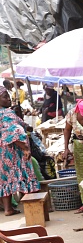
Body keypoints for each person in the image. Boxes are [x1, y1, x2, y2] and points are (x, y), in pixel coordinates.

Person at [0, 86, 39, 216]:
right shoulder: (7, 113)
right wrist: (25, 148)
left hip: (2, 152)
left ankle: (8, 209)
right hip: (13, 151)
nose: (8, 99)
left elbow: (18, 123)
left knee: (6, 179)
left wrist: (26, 125)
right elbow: (12, 133)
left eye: (8, 96)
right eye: (5, 97)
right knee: (23, 174)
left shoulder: (6, 112)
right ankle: (32, 207)